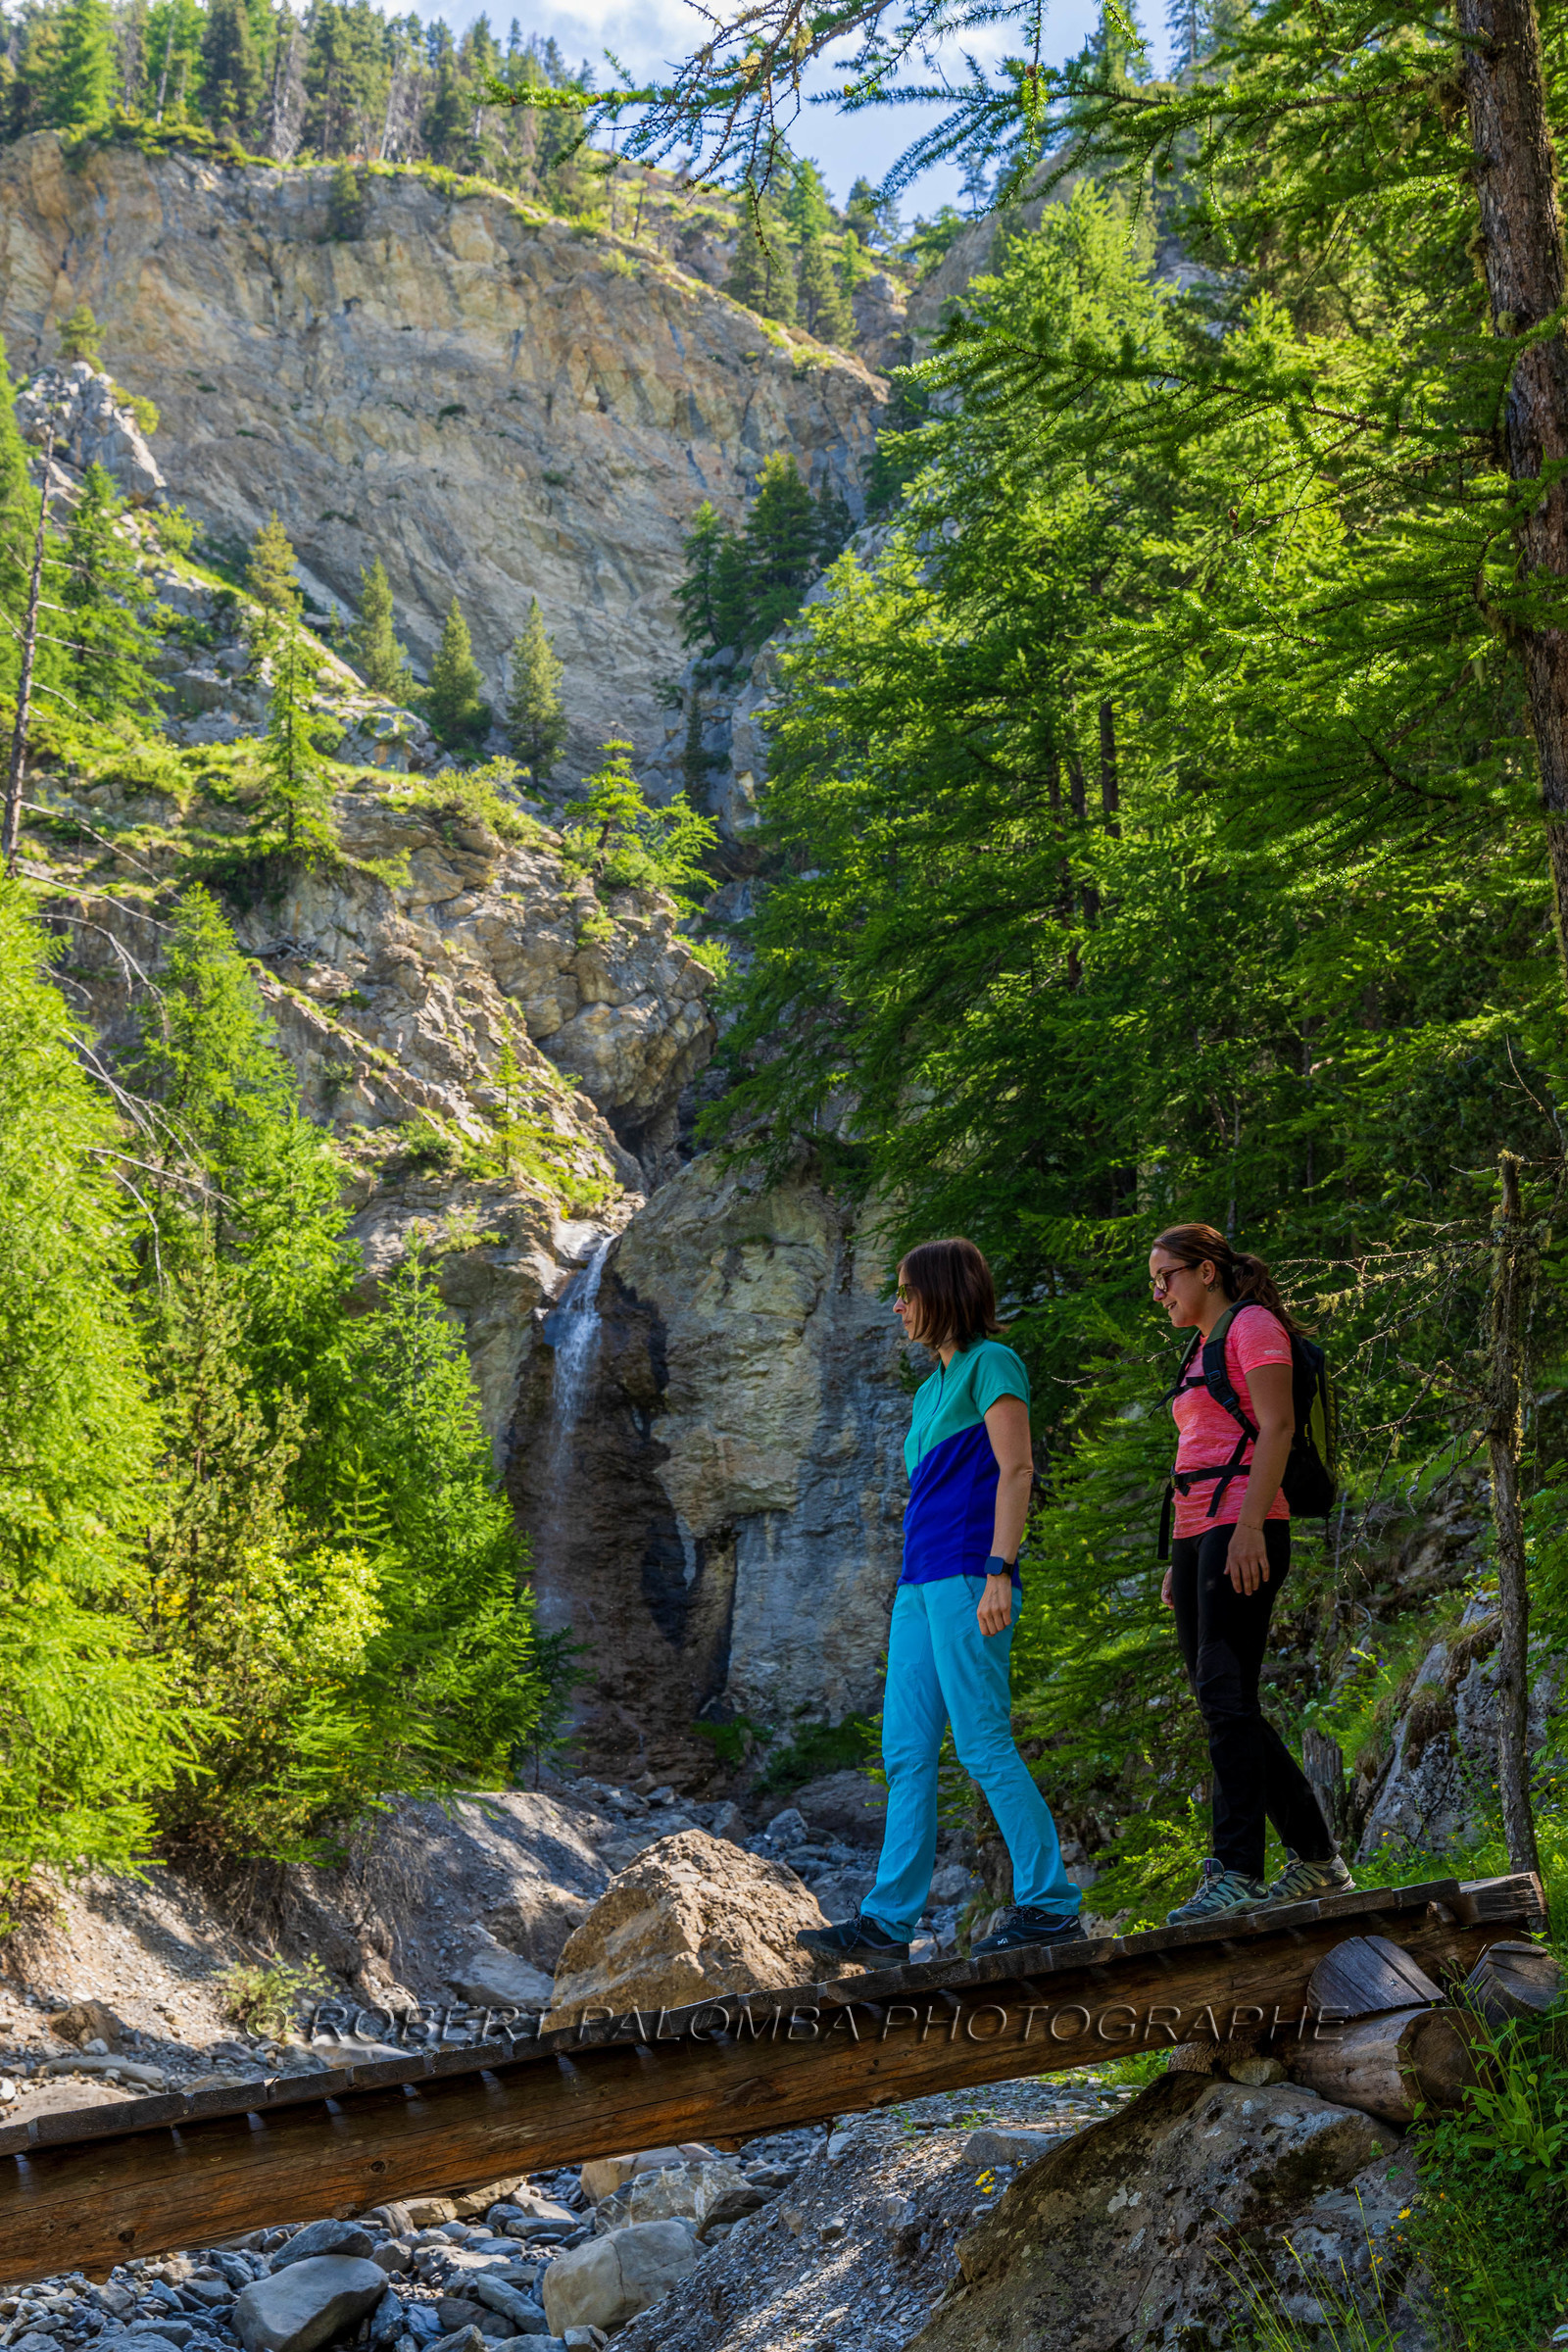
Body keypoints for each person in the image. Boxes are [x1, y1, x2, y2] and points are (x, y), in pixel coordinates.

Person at [799, 1237, 1084, 1966]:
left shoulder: (994, 1364)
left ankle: (1051, 1906)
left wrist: (999, 1570)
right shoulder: (930, 1389)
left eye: (906, 1291)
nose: (897, 1305)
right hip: (918, 1588)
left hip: (968, 1575)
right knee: (906, 1754)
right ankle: (889, 1923)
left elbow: (1017, 1470)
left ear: (942, 1293)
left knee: (984, 1744)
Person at [1151, 1221, 1353, 1925]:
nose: (1160, 1292)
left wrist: (1246, 1530)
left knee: (1223, 1690)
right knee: (1223, 1700)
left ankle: (1237, 1869)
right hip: (1198, 1532)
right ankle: (1319, 1861)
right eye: (1155, 1282)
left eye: (1167, 1276)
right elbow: (1193, 1450)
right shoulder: (1198, 1347)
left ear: (1207, 1270)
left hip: (1245, 1523)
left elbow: (1277, 1427)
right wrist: (1181, 1557)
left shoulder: (1253, 1325)